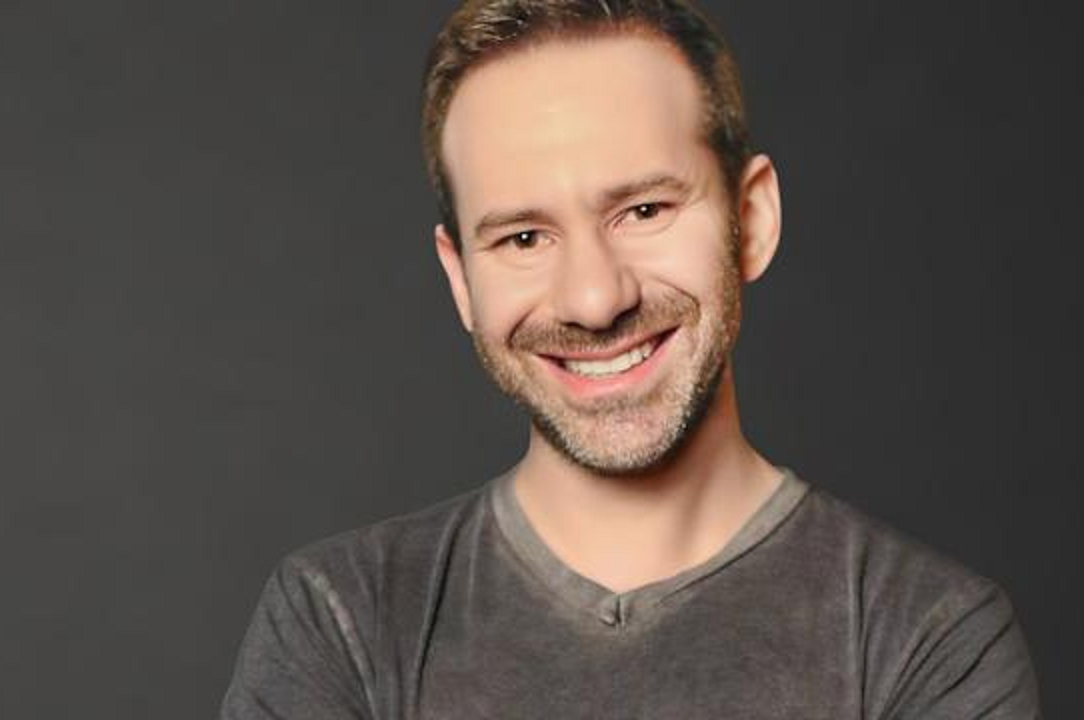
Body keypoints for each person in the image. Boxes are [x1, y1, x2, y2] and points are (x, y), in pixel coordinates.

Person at [219, 1, 1042, 717]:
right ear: (460, 279)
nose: (593, 298)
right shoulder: (341, 620)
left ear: (751, 220)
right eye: (524, 238)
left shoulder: (928, 637)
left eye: (644, 210)